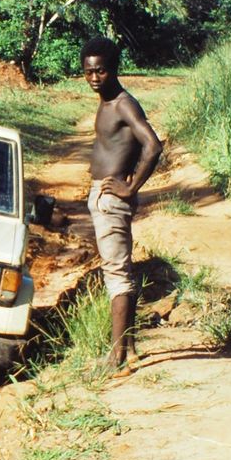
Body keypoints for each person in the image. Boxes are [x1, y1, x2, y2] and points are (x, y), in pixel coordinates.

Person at [81, 37, 162, 377]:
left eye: (101, 71)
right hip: (104, 194)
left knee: (116, 275)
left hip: (113, 196)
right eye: (88, 72)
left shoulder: (123, 104)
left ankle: (115, 359)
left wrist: (130, 186)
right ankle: (127, 350)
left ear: (114, 70)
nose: (95, 77)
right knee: (121, 271)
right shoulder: (107, 102)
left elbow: (153, 145)